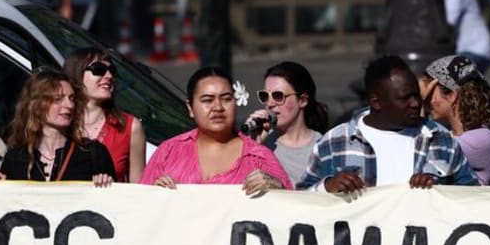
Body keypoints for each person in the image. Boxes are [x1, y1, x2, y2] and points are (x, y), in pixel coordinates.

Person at [296, 55, 478, 192]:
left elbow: (473, 195)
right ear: (376, 102)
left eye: (416, 95)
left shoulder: (441, 140)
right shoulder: (334, 142)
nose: (415, 103)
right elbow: (300, 202)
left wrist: (439, 191)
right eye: (405, 98)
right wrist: (327, 187)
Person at [140, 66, 292, 193]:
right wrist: (154, 194)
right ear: (190, 107)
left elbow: (293, 209)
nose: (218, 107)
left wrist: (277, 188)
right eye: (207, 100)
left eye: (226, 99)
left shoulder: (259, 158)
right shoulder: (168, 152)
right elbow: (139, 206)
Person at [0, 67, 114, 186]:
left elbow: (116, 204)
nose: (69, 105)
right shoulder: (17, 157)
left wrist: (105, 185)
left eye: (71, 98)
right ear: (38, 105)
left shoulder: (93, 153)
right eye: (58, 99)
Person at [62, 48, 147, 183]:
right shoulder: (60, 122)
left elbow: (137, 190)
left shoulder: (130, 127)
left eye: (111, 71)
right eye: (98, 69)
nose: (108, 76)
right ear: (76, 74)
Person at [242, 61, 329, 187]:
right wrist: (252, 145)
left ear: (303, 101)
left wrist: (282, 189)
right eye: (265, 96)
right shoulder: (260, 142)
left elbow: (323, 200)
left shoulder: (323, 147)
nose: (270, 103)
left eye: (278, 96)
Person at [420, 54, 490, 184]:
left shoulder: (483, 139)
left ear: (451, 95)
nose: (428, 101)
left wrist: (420, 104)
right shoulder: (448, 135)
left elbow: (426, 151)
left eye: (430, 94)